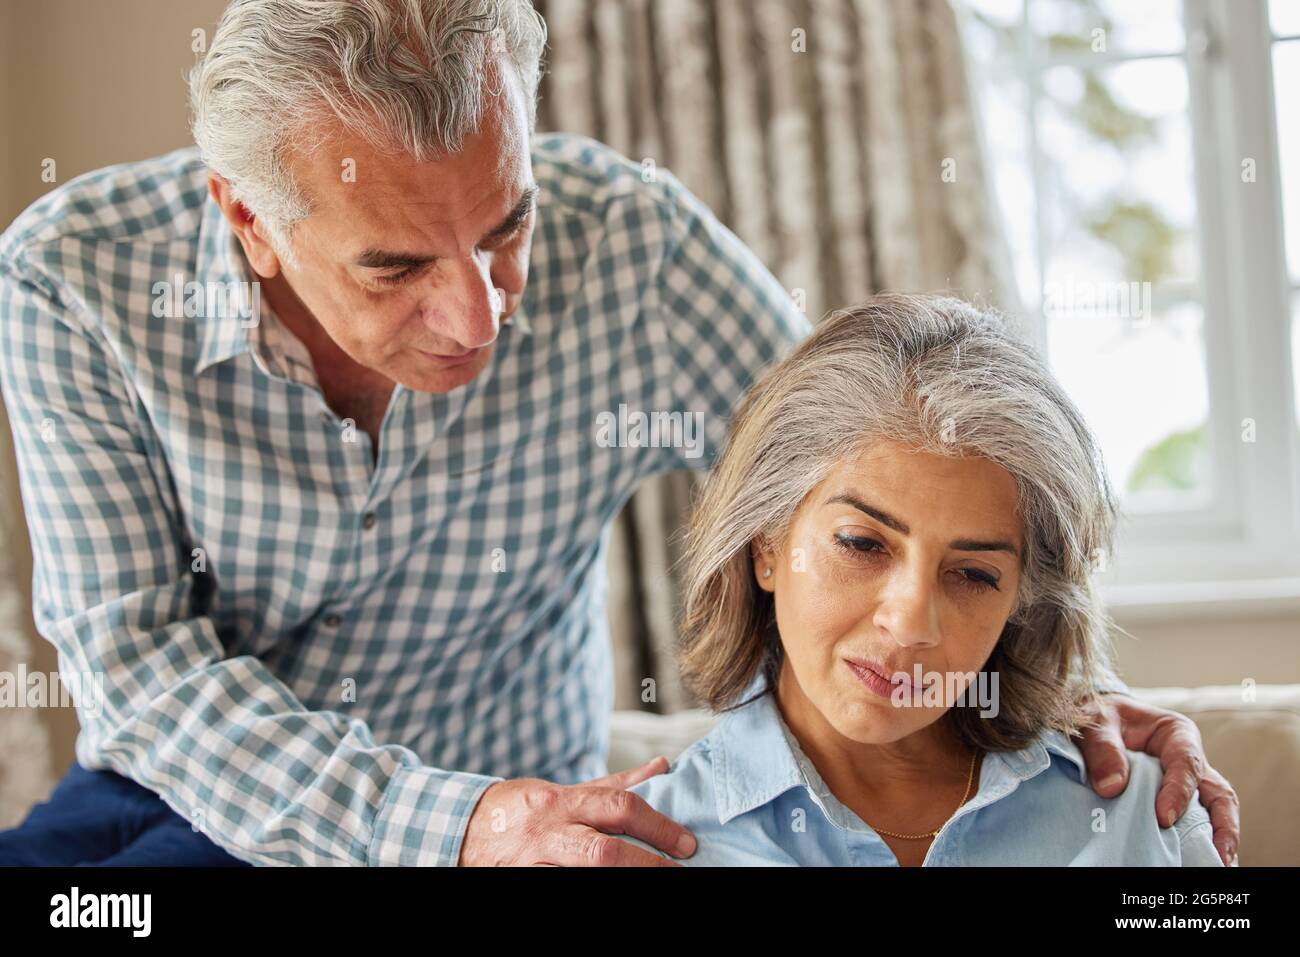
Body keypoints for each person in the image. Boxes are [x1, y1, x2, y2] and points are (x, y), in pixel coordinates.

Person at [0, 1, 1237, 866]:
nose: (478, 315)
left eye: (504, 229)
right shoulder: (74, 278)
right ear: (248, 221)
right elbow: (141, 667)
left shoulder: (631, 243)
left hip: (551, 827)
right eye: (395, 268)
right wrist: (459, 830)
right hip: (196, 810)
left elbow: (882, 467)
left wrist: (1065, 687)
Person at [621, 294, 1223, 866]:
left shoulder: (1143, 816)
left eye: (972, 574)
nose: (909, 624)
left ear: (1021, 601)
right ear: (766, 545)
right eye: (861, 544)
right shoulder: (638, 844)